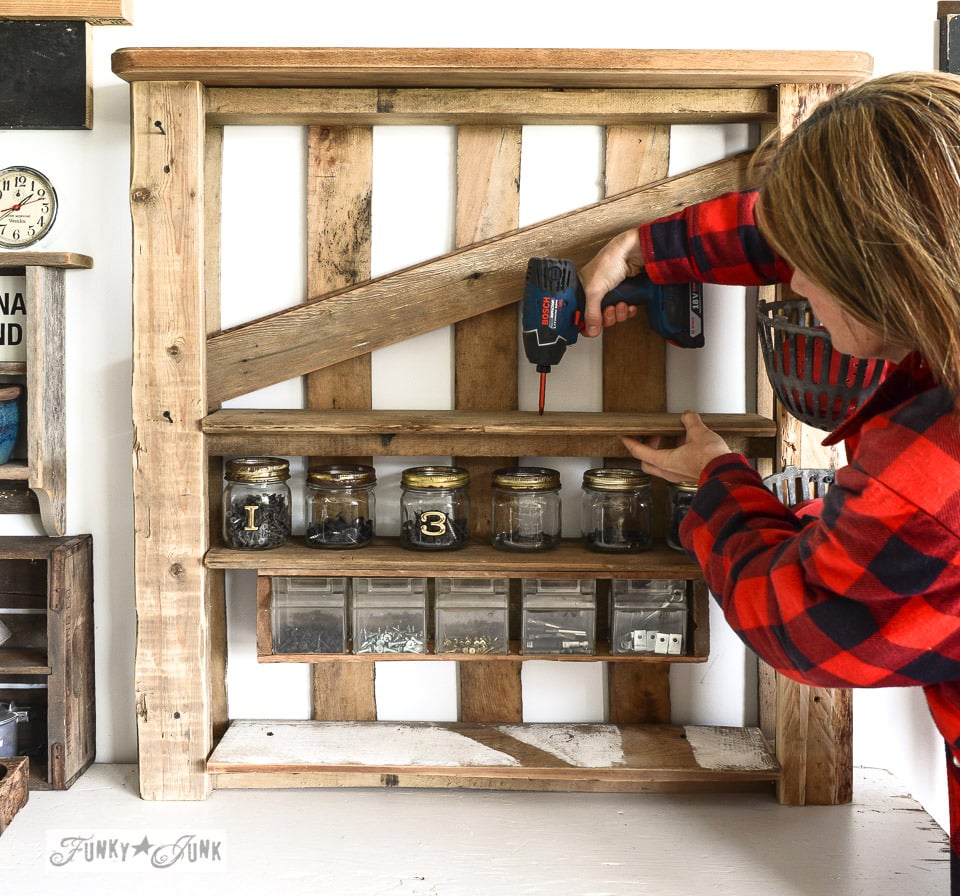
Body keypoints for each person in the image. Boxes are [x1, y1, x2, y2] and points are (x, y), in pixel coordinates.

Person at [579, 70, 960, 892]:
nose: (790, 285)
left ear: (883, 272)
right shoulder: (939, 248)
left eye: (810, 268)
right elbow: (839, 219)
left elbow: (802, 621)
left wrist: (716, 482)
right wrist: (647, 249)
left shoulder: (928, 469)